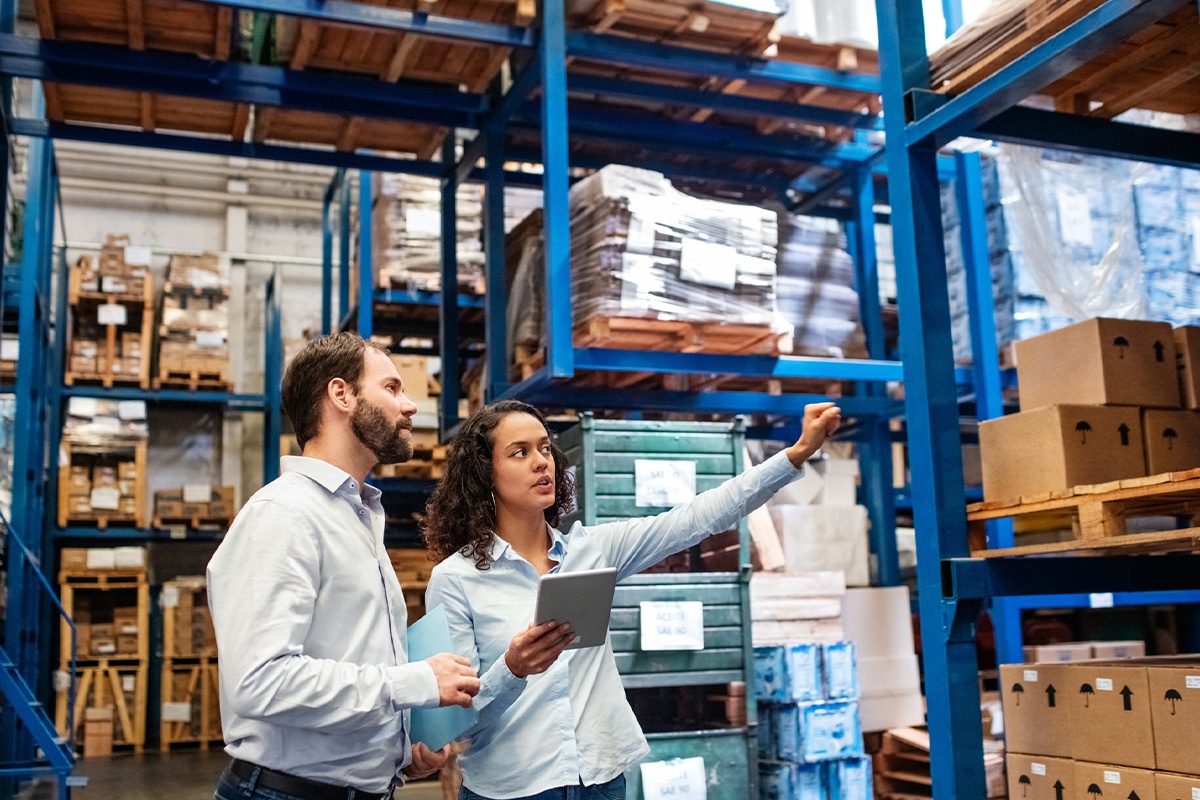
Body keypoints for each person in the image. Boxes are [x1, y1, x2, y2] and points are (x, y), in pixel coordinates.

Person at [422, 399, 841, 800]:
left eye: (545, 448)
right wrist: (513, 670)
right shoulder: (455, 580)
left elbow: (698, 517)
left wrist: (798, 453)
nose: (541, 461)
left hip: (601, 782)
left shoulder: (594, 551)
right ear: (484, 475)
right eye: (519, 452)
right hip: (510, 790)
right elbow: (456, 723)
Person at [207, 332, 481, 800]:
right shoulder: (284, 514)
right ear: (342, 395)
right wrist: (411, 682)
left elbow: (351, 660)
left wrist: (397, 750)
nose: (410, 405)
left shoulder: (357, 514)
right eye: (392, 388)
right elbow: (259, 682)